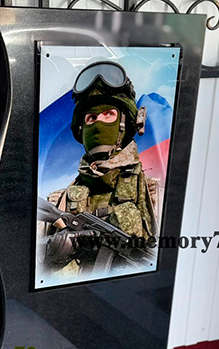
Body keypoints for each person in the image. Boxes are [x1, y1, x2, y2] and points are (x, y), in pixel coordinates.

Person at [40, 61, 160, 277]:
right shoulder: (59, 200)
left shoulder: (155, 196)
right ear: (82, 130)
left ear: (125, 124)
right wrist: (50, 252)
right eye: (91, 118)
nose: (98, 123)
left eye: (108, 115)